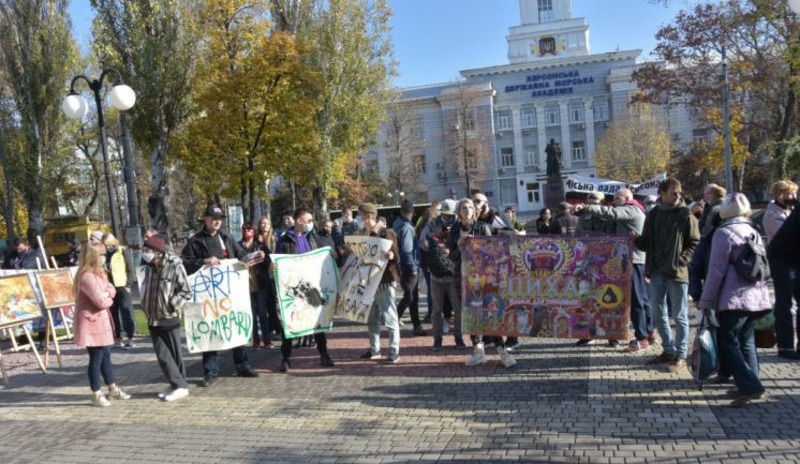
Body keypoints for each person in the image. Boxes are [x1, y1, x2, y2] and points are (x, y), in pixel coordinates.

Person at [698, 193, 771, 407]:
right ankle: (749, 382)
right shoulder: (752, 230)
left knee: (727, 342)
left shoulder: (724, 232)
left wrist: (706, 301)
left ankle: (752, 387)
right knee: (746, 342)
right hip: (756, 297)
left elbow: (716, 271)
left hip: (734, 298)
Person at [181, 205, 260, 387]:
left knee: (234, 326)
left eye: (220, 218)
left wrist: (252, 258)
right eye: (213, 217)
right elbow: (184, 263)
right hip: (208, 297)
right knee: (210, 329)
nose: (217, 221)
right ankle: (211, 371)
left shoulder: (227, 237)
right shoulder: (195, 241)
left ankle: (242, 365)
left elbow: (240, 256)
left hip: (230, 295)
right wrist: (203, 261)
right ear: (206, 219)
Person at [635, 178, 700, 373]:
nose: (678, 195)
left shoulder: (685, 214)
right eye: (674, 192)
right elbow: (647, 242)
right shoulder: (653, 214)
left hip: (677, 273)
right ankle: (668, 350)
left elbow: (695, 242)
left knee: (679, 316)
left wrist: (681, 260)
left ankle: (681, 355)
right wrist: (637, 241)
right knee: (657, 313)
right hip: (656, 271)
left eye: (680, 193)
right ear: (662, 193)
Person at [576, 188, 650, 351]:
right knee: (632, 299)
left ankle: (642, 336)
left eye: (617, 198)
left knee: (636, 300)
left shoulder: (630, 209)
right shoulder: (627, 210)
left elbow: (611, 214)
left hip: (631, 260)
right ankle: (646, 333)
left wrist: (587, 208)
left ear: (627, 198)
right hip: (618, 261)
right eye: (614, 198)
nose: (614, 201)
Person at [452, 198, 517, 368]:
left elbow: (492, 251)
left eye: (469, 208)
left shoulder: (482, 227)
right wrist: (459, 245)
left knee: (489, 313)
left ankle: (503, 353)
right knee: (471, 314)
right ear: (458, 211)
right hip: (463, 278)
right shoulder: (455, 229)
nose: (466, 211)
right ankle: (478, 352)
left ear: (474, 211)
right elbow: (450, 255)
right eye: (463, 208)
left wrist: (476, 244)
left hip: (483, 278)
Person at [275, 207, 336, 372]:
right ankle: (286, 358)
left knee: (317, 320)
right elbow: (277, 260)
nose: (311, 223)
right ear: (299, 220)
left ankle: (324, 354)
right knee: (290, 321)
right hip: (293, 287)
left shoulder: (313, 238)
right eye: (308, 220)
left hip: (311, 287)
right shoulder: (285, 240)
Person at [72, 242, 131, 407]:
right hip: (91, 325)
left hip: (101, 323)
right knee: (96, 358)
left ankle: (112, 388)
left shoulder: (99, 273)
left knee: (106, 356)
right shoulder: (86, 277)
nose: (104, 257)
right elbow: (100, 302)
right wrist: (107, 295)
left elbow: (111, 288)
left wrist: (107, 293)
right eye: (102, 255)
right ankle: (96, 392)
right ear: (94, 257)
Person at [140, 235, 193, 402]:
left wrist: (172, 304)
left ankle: (180, 386)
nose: (145, 253)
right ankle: (177, 383)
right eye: (144, 250)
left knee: (170, 354)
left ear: (158, 252)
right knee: (164, 355)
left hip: (168, 316)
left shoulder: (174, 265)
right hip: (152, 316)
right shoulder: (148, 266)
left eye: (148, 250)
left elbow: (186, 291)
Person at [356, 203, 401, 363]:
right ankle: (375, 350)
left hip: (384, 281)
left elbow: (396, 254)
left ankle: (394, 351)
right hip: (368, 281)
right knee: (372, 318)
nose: (359, 218)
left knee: (390, 317)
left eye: (360, 215)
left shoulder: (385, 232)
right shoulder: (363, 233)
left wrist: (390, 255)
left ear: (368, 216)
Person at [765, 180, 800, 359]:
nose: (793, 197)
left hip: (795, 259)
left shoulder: (793, 210)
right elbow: (788, 238)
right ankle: (785, 346)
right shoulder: (772, 214)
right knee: (785, 303)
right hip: (782, 260)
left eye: (795, 193)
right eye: (789, 193)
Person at [419, 198, 460, 351]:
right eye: (445, 214)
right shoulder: (433, 224)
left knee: (458, 308)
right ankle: (437, 340)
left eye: (450, 214)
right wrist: (435, 241)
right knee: (437, 310)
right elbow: (422, 242)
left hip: (454, 273)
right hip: (436, 274)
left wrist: (452, 242)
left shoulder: (458, 225)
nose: (447, 218)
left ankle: (459, 337)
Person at [393, 200, 426, 336]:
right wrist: (412, 267)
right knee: (410, 297)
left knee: (411, 297)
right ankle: (395, 319)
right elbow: (407, 249)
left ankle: (416, 324)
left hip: (401, 265)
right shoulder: (407, 227)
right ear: (412, 213)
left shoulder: (396, 223)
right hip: (409, 266)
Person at [239, 222, 272, 350]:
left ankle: (266, 339)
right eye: (245, 229)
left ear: (254, 231)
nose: (247, 231)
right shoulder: (238, 245)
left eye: (249, 229)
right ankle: (255, 340)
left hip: (260, 283)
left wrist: (264, 257)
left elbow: (269, 263)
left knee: (263, 313)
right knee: (251, 313)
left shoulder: (261, 245)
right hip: (246, 285)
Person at [101, 233, 137, 350]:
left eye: (108, 244)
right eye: (105, 245)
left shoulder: (122, 251)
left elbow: (131, 269)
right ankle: (117, 337)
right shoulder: (105, 254)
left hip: (122, 285)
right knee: (113, 312)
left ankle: (130, 337)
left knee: (126, 311)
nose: (107, 247)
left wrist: (128, 284)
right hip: (111, 286)